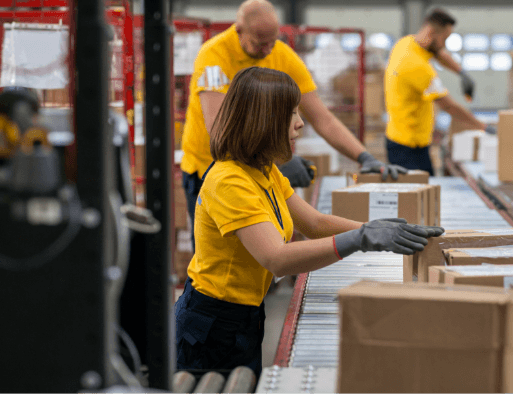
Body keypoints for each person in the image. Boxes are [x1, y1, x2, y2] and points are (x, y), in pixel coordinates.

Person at [175, 67, 444, 377]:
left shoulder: (263, 170)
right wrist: (360, 240)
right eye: (290, 114)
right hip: (212, 324)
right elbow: (276, 259)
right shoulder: (229, 181)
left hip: (244, 314)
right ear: (263, 120)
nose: (300, 123)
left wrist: (376, 230)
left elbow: (312, 222)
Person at [180, 0, 407, 251]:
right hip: (208, 168)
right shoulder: (214, 56)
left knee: (257, 253)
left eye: (272, 41)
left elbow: (324, 119)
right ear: (239, 30)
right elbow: (219, 128)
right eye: (259, 43)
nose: (268, 50)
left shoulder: (282, 55)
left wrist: (364, 157)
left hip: (257, 167)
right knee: (221, 251)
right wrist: (281, 159)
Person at [385, 8, 495, 176]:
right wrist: (482, 127)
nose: (445, 44)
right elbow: (449, 106)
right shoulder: (417, 67)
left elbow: (439, 53)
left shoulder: (406, 43)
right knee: (418, 196)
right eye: (445, 38)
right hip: (406, 148)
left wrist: (461, 72)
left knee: (428, 189)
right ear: (431, 32)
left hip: (410, 141)